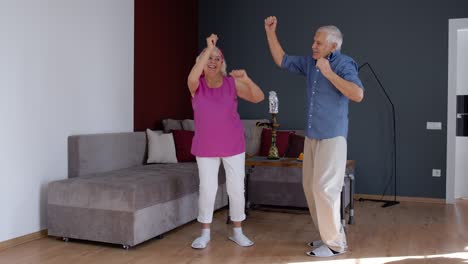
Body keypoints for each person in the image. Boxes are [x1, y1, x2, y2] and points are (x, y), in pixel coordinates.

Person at [264, 16, 364, 257]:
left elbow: (358, 94)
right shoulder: (310, 62)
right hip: (312, 135)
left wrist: (329, 73)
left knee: (325, 189)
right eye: (314, 41)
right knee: (310, 187)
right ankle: (327, 235)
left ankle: (335, 245)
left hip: (332, 136)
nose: (313, 46)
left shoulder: (344, 63)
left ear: (333, 46)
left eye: (319, 43)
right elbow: (282, 60)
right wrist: (270, 32)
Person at [187, 33, 265, 249]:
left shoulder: (232, 83)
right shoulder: (196, 85)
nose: (212, 61)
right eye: (208, 58)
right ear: (201, 62)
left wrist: (247, 80)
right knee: (207, 188)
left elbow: (258, 97)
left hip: (233, 145)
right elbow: (193, 76)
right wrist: (209, 47)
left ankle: (237, 231)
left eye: (217, 58)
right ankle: (205, 233)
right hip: (205, 146)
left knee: (236, 188)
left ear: (222, 63)